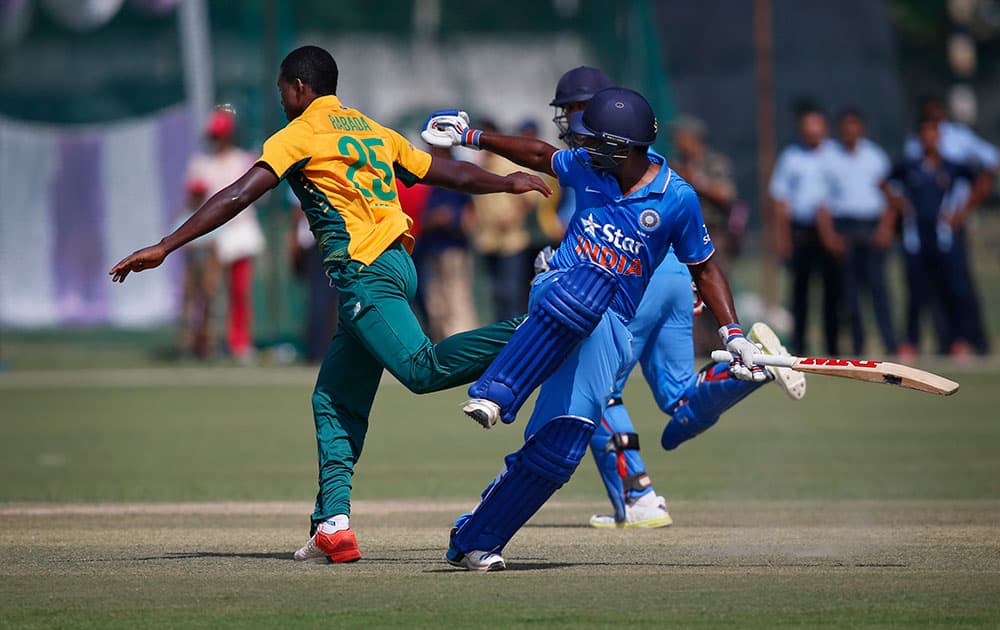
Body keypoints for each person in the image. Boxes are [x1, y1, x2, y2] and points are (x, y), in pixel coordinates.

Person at [109, 45, 551, 564]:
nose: (281, 100)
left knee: (420, 369)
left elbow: (237, 194)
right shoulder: (370, 128)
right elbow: (442, 172)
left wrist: (166, 245)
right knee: (333, 400)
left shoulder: (298, 134)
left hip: (364, 275)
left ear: (298, 88)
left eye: (281, 91)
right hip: (390, 267)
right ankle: (332, 526)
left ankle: (538, 328)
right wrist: (504, 180)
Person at [422, 87, 769, 571]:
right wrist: (470, 135)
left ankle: (477, 539)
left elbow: (706, 267)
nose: (582, 148)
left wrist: (733, 332)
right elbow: (540, 153)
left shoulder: (676, 198)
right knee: (586, 289)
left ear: (624, 147)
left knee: (562, 449)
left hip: (611, 325)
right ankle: (496, 391)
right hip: (562, 287)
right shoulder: (586, 167)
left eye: (595, 141)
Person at [521, 68, 806, 530]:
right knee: (678, 398)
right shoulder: (639, 153)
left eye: (573, 109)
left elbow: (614, 232)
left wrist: (560, 269)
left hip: (635, 281)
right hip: (674, 276)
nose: (570, 120)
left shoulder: (598, 155)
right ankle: (750, 373)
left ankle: (638, 497)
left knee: (598, 390)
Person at [884, 116, 991, 359]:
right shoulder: (909, 166)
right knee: (915, 293)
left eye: (933, 133)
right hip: (916, 241)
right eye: (924, 133)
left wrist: (963, 212)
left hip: (944, 239)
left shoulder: (952, 166)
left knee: (953, 290)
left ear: (939, 137)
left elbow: (983, 180)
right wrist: (899, 204)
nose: (928, 138)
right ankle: (911, 342)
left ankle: (959, 341)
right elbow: (883, 182)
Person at [187, 108, 266, 363]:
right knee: (206, 292)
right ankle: (203, 343)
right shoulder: (201, 163)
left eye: (220, 135)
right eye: (213, 136)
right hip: (211, 237)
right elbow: (193, 199)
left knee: (240, 291)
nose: (216, 141)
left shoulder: (243, 160)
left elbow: (261, 195)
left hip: (240, 235)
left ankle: (239, 343)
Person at [815, 108, 897, 356]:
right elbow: (823, 204)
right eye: (846, 126)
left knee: (879, 290)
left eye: (855, 125)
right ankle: (857, 347)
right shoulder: (831, 160)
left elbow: (890, 198)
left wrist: (885, 229)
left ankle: (891, 345)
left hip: (871, 227)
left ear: (862, 128)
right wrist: (829, 236)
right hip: (845, 228)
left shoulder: (875, 157)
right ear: (840, 130)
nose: (850, 131)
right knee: (849, 296)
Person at [770, 103, 839, 356]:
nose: (812, 130)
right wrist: (783, 237)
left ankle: (833, 347)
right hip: (802, 231)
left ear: (824, 127)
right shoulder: (791, 157)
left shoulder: (835, 154)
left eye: (816, 124)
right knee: (800, 291)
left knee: (833, 291)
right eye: (807, 125)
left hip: (831, 231)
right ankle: (800, 346)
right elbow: (780, 199)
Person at [670, 113, 739, 354]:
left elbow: (726, 195)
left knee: (713, 286)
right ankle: (697, 349)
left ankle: (725, 343)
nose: (677, 140)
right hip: (683, 235)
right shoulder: (674, 163)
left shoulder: (714, 162)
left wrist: (694, 180)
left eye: (681, 135)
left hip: (712, 233)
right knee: (689, 294)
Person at [470, 119, 537, 321]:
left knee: (511, 294)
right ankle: (500, 340)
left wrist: (513, 216)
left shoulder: (509, 164)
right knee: (495, 295)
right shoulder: (480, 165)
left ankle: (516, 338)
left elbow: (531, 198)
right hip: (487, 240)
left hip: (511, 241)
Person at [416, 146, 478, 341]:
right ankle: (441, 341)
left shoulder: (457, 174)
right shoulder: (429, 178)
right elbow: (423, 216)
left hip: (454, 247)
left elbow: (470, 215)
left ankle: (461, 342)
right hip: (432, 246)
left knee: (457, 298)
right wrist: (434, 218)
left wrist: (452, 219)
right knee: (436, 300)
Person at [287, 192, 338, 364]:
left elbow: (297, 210)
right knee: (323, 297)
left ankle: (319, 351)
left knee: (323, 297)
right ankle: (319, 350)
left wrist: (294, 238)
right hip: (326, 236)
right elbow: (297, 210)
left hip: (322, 235)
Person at [176, 179, 220, 360]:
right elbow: (182, 242)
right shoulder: (185, 216)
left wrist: (213, 272)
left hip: (207, 262)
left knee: (210, 306)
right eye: (196, 194)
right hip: (192, 264)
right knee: (188, 305)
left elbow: (215, 244)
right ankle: (186, 345)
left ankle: (208, 346)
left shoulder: (211, 214)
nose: (198, 198)